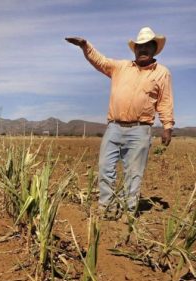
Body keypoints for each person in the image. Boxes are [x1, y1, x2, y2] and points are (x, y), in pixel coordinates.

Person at [66, 27, 174, 218]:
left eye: (148, 46)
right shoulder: (120, 67)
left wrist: (167, 126)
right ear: (135, 49)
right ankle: (106, 209)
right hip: (114, 127)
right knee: (106, 168)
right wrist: (85, 46)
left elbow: (164, 101)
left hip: (141, 130)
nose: (143, 50)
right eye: (140, 46)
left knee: (134, 173)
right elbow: (100, 61)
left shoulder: (162, 73)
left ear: (154, 49)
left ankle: (128, 212)